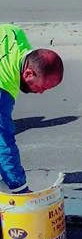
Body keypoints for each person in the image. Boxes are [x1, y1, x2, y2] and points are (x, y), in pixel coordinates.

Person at [0, 24, 64, 194]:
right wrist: (20, 189)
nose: (41, 92)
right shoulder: (2, 90)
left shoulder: (14, 33)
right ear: (28, 74)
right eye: (41, 87)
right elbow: (3, 144)